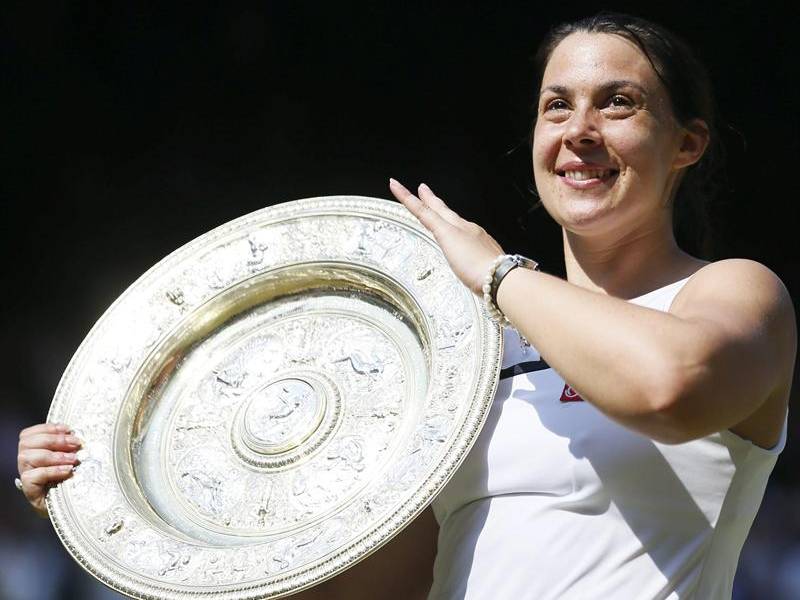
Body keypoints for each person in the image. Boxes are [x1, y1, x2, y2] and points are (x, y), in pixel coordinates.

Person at [17, 12, 796, 600]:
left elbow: (669, 389)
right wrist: (111, 507)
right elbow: (374, 582)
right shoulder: (474, 345)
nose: (579, 132)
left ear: (687, 143)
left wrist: (496, 273)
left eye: (617, 104)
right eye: (557, 106)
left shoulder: (732, 292)